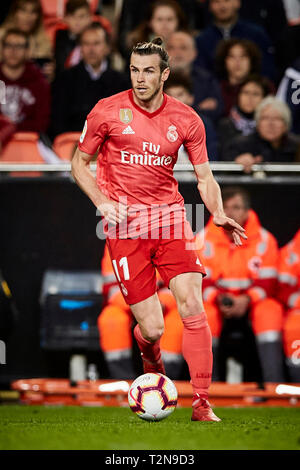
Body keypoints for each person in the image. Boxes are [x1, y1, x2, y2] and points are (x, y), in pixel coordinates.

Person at [71, 37, 247, 422]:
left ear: (164, 74)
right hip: (125, 229)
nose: (140, 78)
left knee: (192, 306)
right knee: (151, 328)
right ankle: (154, 371)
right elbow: (78, 164)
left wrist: (216, 212)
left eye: (148, 70)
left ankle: (202, 403)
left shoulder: (186, 119)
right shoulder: (106, 111)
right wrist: (102, 202)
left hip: (170, 221)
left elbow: (205, 177)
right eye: (134, 69)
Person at [196, 186, 285, 382]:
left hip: (252, 301)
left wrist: (246, 299)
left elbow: (268, 283)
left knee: (270, 311)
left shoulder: (265, 239)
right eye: (224, 207)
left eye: (235, 207)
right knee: (203, 313)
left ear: (246, 211)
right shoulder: (202, 239)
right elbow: (200, 281)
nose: (229, 213)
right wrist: (218, 298)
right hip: (218, 301)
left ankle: (274, 387)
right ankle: (207, 389)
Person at [98, 244, 184, 379]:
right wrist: (138, 305)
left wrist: (160, 304)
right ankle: (122, 382)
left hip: (161, 302)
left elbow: (177, 283)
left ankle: (166, 381)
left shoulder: (168, 236)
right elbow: (111, 288)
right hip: (127, 301)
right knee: (111, 318)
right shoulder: (116, 240)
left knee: (176, 321)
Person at [51, 22, 129, 137]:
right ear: (80, 48)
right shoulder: (65, 79)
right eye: (86, 44)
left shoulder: (122, 82)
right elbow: (57, 121)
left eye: (96, 43)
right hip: (72, 145)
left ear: (107, 48)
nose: (91, 49)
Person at [195, 0, 276, 81]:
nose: (222, 6)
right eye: (217, 1)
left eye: (227, 1)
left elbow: (267, 69)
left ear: (238, 3)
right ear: (210, 6)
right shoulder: (202, 40)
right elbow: (201, 73)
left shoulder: (256, 34)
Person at [223, 96, 300, 171]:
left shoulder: (297, 146)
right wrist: (237, 162)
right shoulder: (239, 145)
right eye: (265, 118)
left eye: (277, 118)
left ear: (286, 125)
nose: (271, 124)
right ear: (257, 123)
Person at [0, 29, 50, 143]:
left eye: (19, 46)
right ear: (2, 49)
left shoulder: (39, 81)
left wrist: (11, 128)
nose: (13, 51)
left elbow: (41, 123)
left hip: (29, 142)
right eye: (9, 45)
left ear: (27, 51)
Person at [165, 30, 223, 123]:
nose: (177, 53)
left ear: (194, 53)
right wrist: (197, 108)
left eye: (183, 48)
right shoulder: (155, 79)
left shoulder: (207, 79)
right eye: (172, 48)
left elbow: (216, 109)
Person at [164, 72, 219, 160]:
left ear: (191, 98)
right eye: (170, 95)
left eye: (180, 95)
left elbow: (211, 158)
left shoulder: (203, 124)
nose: (174, 100)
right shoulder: (154, 123)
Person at [215, 38, 274, 116]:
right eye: (232, 57)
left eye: (243, 56)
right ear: (224, 61)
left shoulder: (265, 86)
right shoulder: (215, 88)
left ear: (251, 61)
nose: (237, 62)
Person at [54, 0, 112, 77]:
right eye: (72, 16)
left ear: (90, 17)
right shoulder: (60, 38)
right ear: (65, 19)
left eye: (81, 16)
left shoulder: (100, 36)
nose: (77, 22)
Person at [217, 74, 270, 159]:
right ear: (238, 96)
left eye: (255, 94)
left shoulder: (269, 126)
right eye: (246, 93)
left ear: (264, 98)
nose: (250, 98)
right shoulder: (224, 125)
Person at [0, 0, 53, 80]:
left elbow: (45, 79)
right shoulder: (2, 36)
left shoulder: (44, 41)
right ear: (15, 13)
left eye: (33, 12)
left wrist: (52, 74)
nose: (28, 17)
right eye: (23, 10)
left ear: (38, 16)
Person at [278, 229, 300, 382]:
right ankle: (296, 390)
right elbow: (283, 288)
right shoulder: (292, 250)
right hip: (297, 309)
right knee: (294, 326)